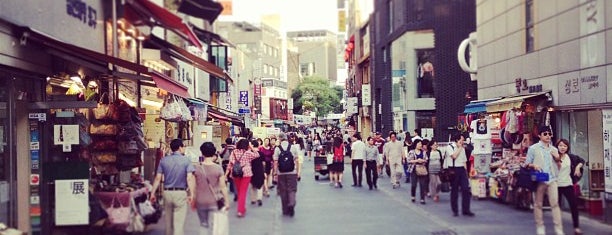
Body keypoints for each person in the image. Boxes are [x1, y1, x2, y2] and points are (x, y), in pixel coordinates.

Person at [150, 139, 195, 235]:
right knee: (178, 223)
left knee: (168, 222)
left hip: (167, 193)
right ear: (180, 147)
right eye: (183, 146)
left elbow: (158, 178)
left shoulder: (164, 160)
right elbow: (189, 178)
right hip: (180, 193)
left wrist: (152, 193)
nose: (184, 149)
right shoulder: (186, 160)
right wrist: (192, 194)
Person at [524, 125, 562, 234]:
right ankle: (540, 227)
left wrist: (557, 158)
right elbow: (526, 164)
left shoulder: (554, 149)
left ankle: (558, 229)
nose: (548, 136)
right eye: (545, 134)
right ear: (539, 135)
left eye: (549, 134)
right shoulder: (533, 148)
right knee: (538, 204)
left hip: (552, 179)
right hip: (540, 179)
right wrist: (534, 166)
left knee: (555, 204)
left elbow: (559, 165)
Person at [193, 142, 230, 232]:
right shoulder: (218, 168)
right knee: (216, 225)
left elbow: (194, 187)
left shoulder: (196, 168)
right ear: (213, 153)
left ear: (202, 153)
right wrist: (227, 201)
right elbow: (223, 187)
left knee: (203, 224)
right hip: (214, 201)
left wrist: (193, 199)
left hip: (200, 200)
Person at [556, 139, 585, 235]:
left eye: (564, 146)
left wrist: (577, 167)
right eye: (560, 145)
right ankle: (559, 228)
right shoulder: (553, 157)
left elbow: (581, 161)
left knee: (574, 206)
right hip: (556, 185)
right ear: (557, 146)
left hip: (567, 184)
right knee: (557, 208)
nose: (562, 147)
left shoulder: (570, 157)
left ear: (567, 147)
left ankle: (576, 228)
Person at [225, 139, 260, 217]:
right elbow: (257, 154)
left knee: (239, 191)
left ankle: (242, 208)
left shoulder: (234, 152)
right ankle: (240, 210)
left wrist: (225, 175)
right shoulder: (248, 153)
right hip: (246, 174)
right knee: (243, 192)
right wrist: (251, 147)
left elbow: (230, 164)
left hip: (235, 173)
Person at [445, 134, 475, 217]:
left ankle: (466, 209)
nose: (462, 141)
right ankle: (455, 210)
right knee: (454, 190)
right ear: (456, 140)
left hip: (462, 169)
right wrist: (460, 148)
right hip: (453, 170)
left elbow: (464, 160)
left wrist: (466, 172)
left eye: (463, 140)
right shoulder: (450, 147)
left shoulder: (463, 148)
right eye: (461, 140)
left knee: (465, 189)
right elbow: (454, 156)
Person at [273, 133, 301, 217]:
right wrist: (298, 172)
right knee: (292, 189)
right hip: (292, 172)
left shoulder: (277, 149)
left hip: (281, 173)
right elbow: (296, 160)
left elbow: (275, 162)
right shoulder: (293, 147)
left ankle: (285, 210)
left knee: (283, 191)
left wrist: (275, 173)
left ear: (280, 139)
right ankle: (291, 203)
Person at [408, 139, 428, 204]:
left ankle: (422, 199)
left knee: (422, 185)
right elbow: (409, 160)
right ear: (415, 144)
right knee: (414, 184)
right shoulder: (412, 152)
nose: (420, 145)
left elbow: (426, 159)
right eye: (419, 144)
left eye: (421, 144)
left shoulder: (424, 152)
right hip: (414, 169)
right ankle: (413, 196)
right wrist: (417, 160)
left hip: (422, 169)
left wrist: (422, 160)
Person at [249, 140, 265, 207]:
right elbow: (263, 163)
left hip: (252, 170)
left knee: (252, 185)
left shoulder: (250, 153)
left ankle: (253, 199)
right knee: (260, 185)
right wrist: (264, 171)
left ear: (252, 145)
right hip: (260, 170)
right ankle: (259, 198)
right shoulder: (261, 153)